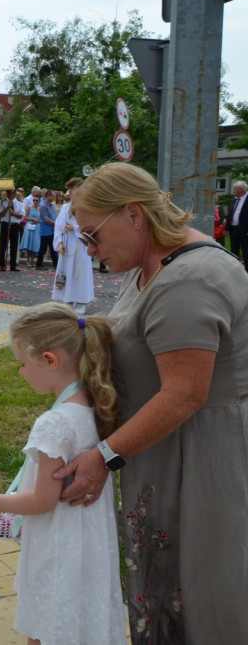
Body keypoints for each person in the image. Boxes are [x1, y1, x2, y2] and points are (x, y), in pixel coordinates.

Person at [54, 162, 248, 643]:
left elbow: (184, 393)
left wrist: (103, 457)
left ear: (134, 215)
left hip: (199, 461)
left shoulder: (189, 280)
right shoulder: (155, 264)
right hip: (169, 451)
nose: (90, 249)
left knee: (204, 586)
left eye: (93, 235)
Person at [0, 302, 126, 644]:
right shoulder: (94, 405)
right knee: (79, 621)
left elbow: (44, 500)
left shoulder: (54, 422)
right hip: (89, 544)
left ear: (49, 360)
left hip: (58, 544)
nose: (20, 373)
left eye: (22, 364)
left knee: (47, 623)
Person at [52, 178, 94, 314]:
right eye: (69, 189)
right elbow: (58, 227)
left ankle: (81, 301)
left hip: (80, 244)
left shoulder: (87, 206)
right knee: (67, 272)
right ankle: (68, 300)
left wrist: (75, 228)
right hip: (67, 244)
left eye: (72, 188)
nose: (69, 191)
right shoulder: (65, 207)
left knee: (80, 272)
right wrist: (59, 243)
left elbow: (91, 226)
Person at [0, 189, 25, 272]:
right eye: (8, 192)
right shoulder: (3, 202)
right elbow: (0, 214)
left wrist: (13, 213)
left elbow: (21, 216)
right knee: (3, 245)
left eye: (11, 192)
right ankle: (2, 264)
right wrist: (7, 208)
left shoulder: (19, 203)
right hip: (5, 224)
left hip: (14, 225)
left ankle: (13, 265)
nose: (9, 194)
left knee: (14, 245)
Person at [225, 179, 248, 270]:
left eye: (235, 189)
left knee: (246, 251)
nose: (233, 191)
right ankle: (234, 270)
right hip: (234, 229)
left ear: (241, 190)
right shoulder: (235, 200)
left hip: (245, 231)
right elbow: (230, 214)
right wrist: (226, 228)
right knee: (234, 251)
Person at [35, 189, 58, 269]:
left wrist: (54, 225)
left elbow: (52, 217)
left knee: (53, 248)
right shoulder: (43, 206)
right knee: (43, 249)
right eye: (52, 196)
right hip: (45, 231)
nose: (53, 198)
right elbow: (45, 218)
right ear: (47, 196)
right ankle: (39, 264)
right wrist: (55, 224)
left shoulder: (51, 205)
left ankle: (56, 264)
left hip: (51, 230)